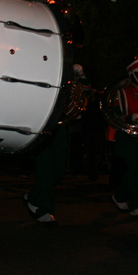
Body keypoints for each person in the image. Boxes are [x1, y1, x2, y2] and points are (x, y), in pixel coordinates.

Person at [24, 64, 90, 224]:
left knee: (60, 169)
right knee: (45, 169)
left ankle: (33, 196)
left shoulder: (65, 73)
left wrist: (81, 76)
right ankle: (45, 210)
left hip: (58, 127)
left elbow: (85, 94)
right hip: (40, 124)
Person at [108, 58, 138, 217]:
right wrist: (129, 119)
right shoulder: (121, 92)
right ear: (132, 75)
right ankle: (137, 205)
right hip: (128, 136)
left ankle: (119, 196)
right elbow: (113, 114)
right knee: (135, 169)